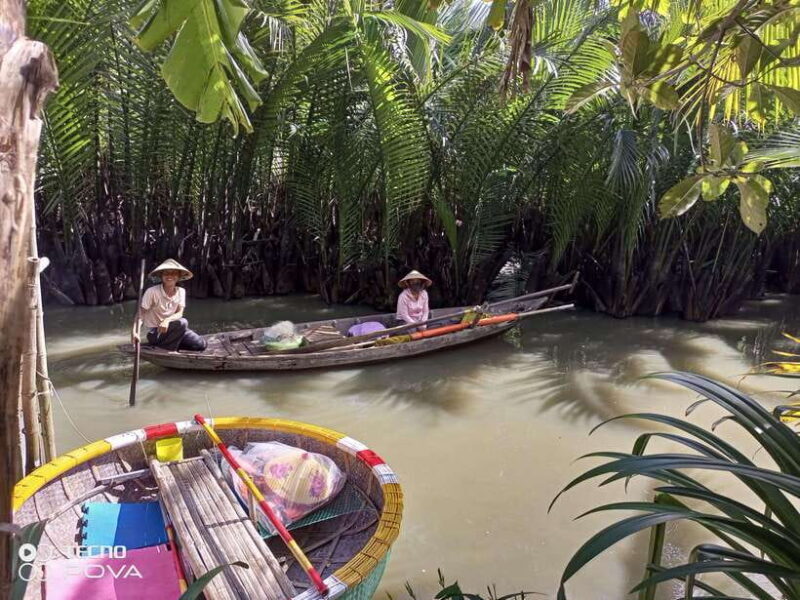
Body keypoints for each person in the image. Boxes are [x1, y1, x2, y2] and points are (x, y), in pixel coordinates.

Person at [132, 259, 207, 352]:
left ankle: (172, 343)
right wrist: (134, 332)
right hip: (156, 332)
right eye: (166, 273)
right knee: (183, 322)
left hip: (174, 330)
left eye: (174, 273)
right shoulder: (152, 291)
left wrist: (167, 320)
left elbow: (180, 313)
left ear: (179, 277)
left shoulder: (181, 291)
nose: (170, 275)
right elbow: (140, 315)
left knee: (201, 344)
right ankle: (167, 349)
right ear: (161, 276)